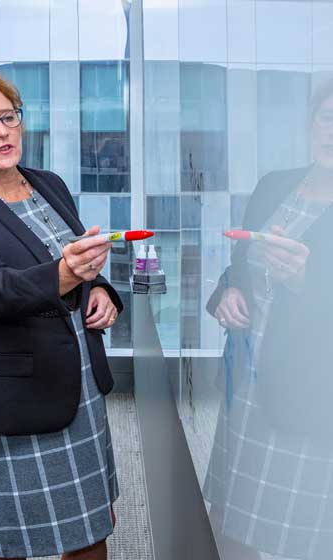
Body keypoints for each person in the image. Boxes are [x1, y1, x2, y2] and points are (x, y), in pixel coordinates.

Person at [0, 72, 122, 560]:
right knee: (12, 540)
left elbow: (74, 260)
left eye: (9, 117)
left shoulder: (48, 184)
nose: (2, 132)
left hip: (78, 384)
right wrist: (66, 274)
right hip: (14, 394)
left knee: (89, 530)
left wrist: (101, 289)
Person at [204, 80, 333, 560]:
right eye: (327, 118)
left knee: (296, 537)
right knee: (229, 525)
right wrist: (227, 293)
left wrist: (307, 282)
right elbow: (239, 266)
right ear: (311, 123)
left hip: (308, 401)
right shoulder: (275, 185)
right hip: (246, 392)